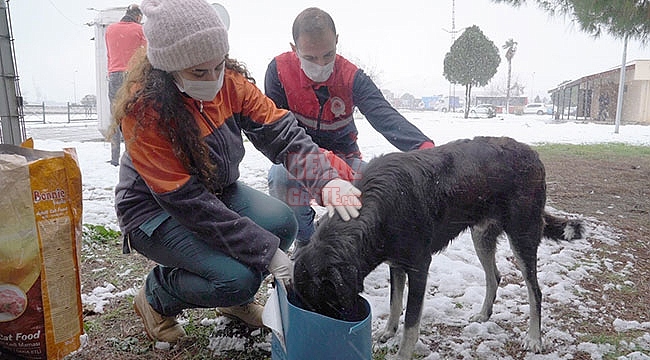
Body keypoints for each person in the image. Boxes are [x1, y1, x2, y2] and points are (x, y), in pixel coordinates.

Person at [112, 0, 361, 344]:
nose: (213, 79)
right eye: (199, 72)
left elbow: (282, 134)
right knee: (236, 278)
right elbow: (189, 204)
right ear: (169, 67)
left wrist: (326, 178)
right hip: (156, 212)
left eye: (218, 65)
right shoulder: (145, 111)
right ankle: (157, 295)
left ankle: (233, 305)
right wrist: (267, 253)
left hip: (214, 191)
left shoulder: (230, 83)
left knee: (283, 223)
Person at [265, 7, 434, 251]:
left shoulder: (351, 76)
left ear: (337, 41)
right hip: (298, 160)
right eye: (310, 58)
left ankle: (340, 234)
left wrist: (426, 150)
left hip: (345, 158)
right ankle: (305, 239)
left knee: (380, 187)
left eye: (328, 54)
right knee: (280, 178)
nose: (321, 64)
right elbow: (276, 133)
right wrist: (320, 162)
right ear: (295, 49)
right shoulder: (279, 71)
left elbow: (384, 115)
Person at [105, 4, 146, 166]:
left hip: (114, 75)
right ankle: (132, 155)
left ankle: (114, 157)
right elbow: (145, 55)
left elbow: (109, 55)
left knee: (116, 116)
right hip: (133, 75)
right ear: (138, 16)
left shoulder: (110, 30)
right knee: (134, 114)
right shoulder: (139, 30)